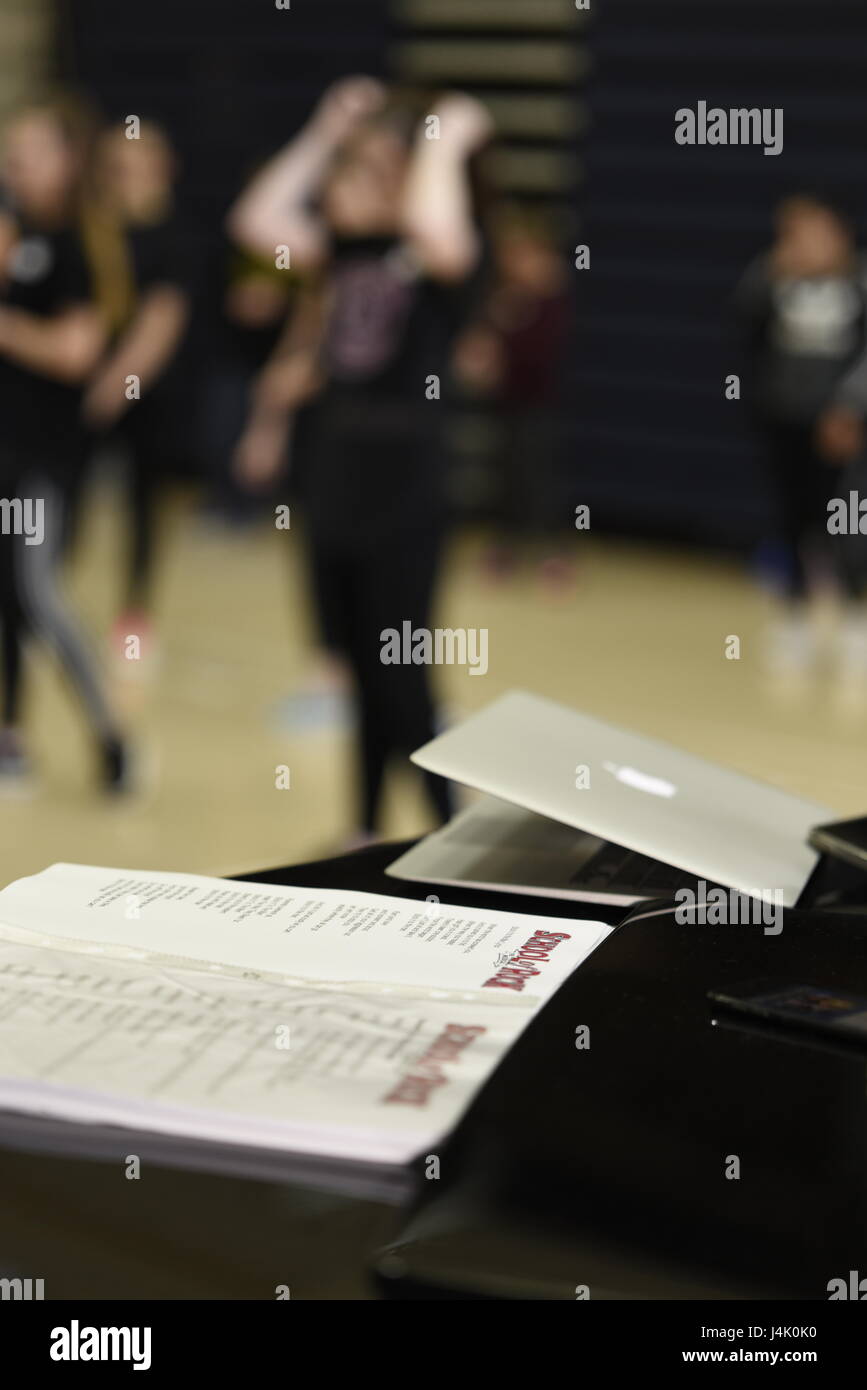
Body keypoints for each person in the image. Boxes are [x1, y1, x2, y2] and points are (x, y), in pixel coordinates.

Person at [228, 77, 491, 839]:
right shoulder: (336, 256)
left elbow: (438, 231)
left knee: (404, 678)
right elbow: (255, 218)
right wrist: (320, 132)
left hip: (406, 488)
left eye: (373, 169)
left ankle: (453, 835)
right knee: (361, 675)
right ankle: (365, 828)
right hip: (333, 482)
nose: (349, 182)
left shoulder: (438, 252)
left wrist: (442, 139)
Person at [0, 96, 130, 789]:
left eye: (28, 152)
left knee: (38, 591)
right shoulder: (15, 229)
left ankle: (112, 735)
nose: (13, 164)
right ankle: (11, 738)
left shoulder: (81, 242)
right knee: (7, 597)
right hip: (6, 450)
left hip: (47, 460)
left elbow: (77, 351)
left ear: (67, 160)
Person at [735, 193, 867, 677]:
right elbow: (745, 331)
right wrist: (771, 274)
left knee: (847, 523)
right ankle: (794, 617)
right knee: (794, 520)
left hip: (840, 426)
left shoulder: (857, 282)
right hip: (785, 420)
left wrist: (850, 408)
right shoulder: (773, 278)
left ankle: (855, 616)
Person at [83, 120, 192, 661]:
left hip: (149, 397)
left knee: (143, 505)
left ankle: (134, 613)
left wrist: (117, 385)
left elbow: (162, 318)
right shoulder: (91, 229)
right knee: (61, 497)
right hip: (77, 385)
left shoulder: (174, 235)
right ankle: (41, 602)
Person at [452, 204, 573, 589]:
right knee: (506, 477)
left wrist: (500, 349)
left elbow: (539, 350)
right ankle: (506, 546)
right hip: (508, 402)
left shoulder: (549, 294)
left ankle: (555, 553)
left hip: (541, 404)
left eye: (520, 252)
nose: (512, 260)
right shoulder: (502, 294)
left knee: (540, 479)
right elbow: (483, 341)